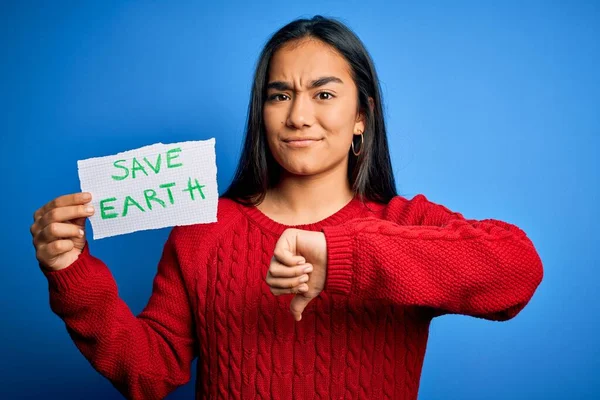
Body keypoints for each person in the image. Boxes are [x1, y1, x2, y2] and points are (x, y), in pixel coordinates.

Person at [29, 15, 544, 400]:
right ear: (262, 112)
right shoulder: (202, 231)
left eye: (323, 95)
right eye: (279, 96)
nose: (298, 115)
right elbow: (147, 370)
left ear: (362, 117)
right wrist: (72, 274)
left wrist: (342, 257)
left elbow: (518, 269)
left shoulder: (402, 225)